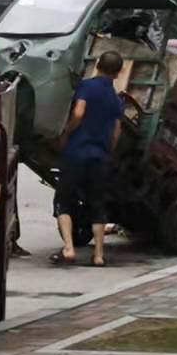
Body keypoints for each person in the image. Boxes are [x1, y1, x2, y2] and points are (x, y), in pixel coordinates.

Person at [50, 49, 125, 267]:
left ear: (98, 65)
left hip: (76, 154)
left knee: (63, 201)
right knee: (97, 206)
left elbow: (79, 112)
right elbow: (116, 132)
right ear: (118, 73)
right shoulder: (115, 99)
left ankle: (69, 248)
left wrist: (66, 133)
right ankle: (99, 255)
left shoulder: (86, 86)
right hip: (100, 158)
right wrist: (107, 150)